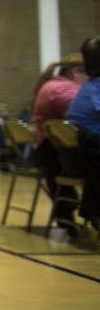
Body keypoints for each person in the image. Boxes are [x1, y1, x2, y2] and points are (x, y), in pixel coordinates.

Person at [32, 53, 86, 233]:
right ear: (77, 71)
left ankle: (69, 214)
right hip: (60, 157)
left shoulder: (51, 85)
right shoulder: (64, 89)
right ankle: (90, 212)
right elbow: (84, 116)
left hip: (49, 155)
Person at [65, 36, 100, 231]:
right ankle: (94, 210)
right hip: (90, 156)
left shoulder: (89, 86)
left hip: (80, 156)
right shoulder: (96, 88)